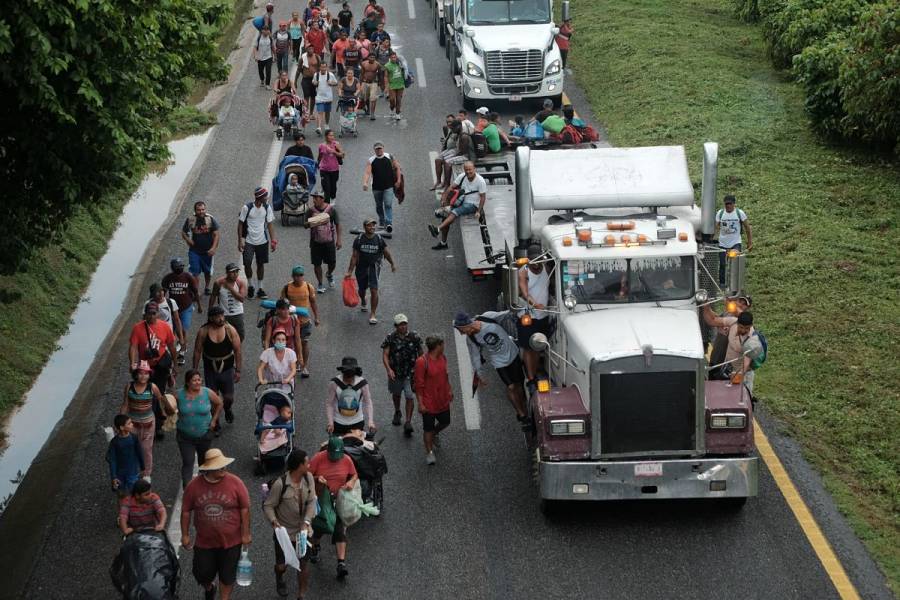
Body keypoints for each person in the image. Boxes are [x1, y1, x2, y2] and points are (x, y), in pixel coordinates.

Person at [181, 449, 251, 600]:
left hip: (231, 541)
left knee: (227, 576)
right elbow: (186, 510)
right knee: (202, 574)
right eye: (219, 467)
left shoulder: (236, 483)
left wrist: (245, 533)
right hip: (204, 542)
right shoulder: (193, 486)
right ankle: (209, 587)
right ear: (210, 469)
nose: (224, 469)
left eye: (223, 465)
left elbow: (245, 508)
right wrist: (185, 535)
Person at [453, 312, 530, 428]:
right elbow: (475, 357)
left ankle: (524, 406)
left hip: (512, 354)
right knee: (511, 386)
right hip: (499, 362)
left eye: (461, 330)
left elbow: (505, 314)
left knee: (519, 384)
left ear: (466, 325)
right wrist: (479, 374)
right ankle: (521, 414)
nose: (461, 333)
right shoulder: (471, 339)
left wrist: (520, 312)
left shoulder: (487, 318)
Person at [263, 449, 317, 598]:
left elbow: (312, 500)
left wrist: (306, 521)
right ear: (299, 466)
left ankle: (301, 594)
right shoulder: (280, 484)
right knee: (282, 565)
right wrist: (274, 522)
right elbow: (268, 505)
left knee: (303, 565)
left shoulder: (309, 478)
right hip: (285, 534)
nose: (309, 464)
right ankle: (279, 576)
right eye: (307, 462)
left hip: (304, 532)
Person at [308, 437, 358, 579]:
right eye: (332, 456)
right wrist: (318, 479)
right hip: (322, 498)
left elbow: (354, 474)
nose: (335, 459)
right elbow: (307, 476)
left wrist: (351, 482)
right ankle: (316, 547)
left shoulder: (347, 459)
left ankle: (341, 563)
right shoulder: (318, 458)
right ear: (327, 451)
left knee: (339, 528)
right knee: (321, 525)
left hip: (338, 498)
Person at [128, 301, 177, 438]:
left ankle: (159, 425)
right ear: (145, 314)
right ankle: (146, 420)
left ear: (158, 314)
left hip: (161, 364)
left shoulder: (165, 327)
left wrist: (175, 364)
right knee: (145, 393)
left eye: (154, 313)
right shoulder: (138, 328)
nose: (151, 316)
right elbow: (133, 347)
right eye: (149, 314)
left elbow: (171, 346)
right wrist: (132, 363)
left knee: (158, 394)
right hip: (145, 367)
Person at [193, 305, 242, 425]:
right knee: (213, 399)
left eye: (222, 315)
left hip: (227, 369)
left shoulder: (230, 330)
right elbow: (197, 351)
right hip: (210, 369)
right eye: (217, 316)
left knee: (229, 398)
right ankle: (216, 423)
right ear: (211, 318)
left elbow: (238, 351)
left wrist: (238, 370)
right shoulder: (203, 331)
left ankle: (227, 409)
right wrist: (194, 371)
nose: (221, 319)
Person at [175, 370, 223, 487]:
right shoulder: (178, 395)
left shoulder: (207, 392)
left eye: (199, 380)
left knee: (204, 462)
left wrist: (214, 420)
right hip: (185, 436)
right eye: (194, 380)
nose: (197, 382)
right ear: (187, 382)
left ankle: (203, 487)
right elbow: (168, 406)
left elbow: (219, 403)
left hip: (205, 434)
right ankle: (187, 489)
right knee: (188, 461)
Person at [346, 217, 397, 325]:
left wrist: (392, 263)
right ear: (364, 227)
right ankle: (363, 300)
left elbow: (386, 253)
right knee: (362, 289)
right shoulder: (359, 239)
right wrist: (350, 271)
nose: (372, 227)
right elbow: (354, 256)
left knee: (374, 290)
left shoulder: (379, 239)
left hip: (374, 268)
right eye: (369, 225)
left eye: (373, 225)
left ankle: (373, 314)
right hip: (361, 268)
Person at [119, 361, 164, 481]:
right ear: (136, 375)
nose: (143, 376)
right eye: (140, 373)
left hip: (148, 423)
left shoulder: (152, 387)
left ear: (149, 375)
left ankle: (147, 473)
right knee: (131, 447)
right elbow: (125, 404)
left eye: (146, 374)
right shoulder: (129, 386)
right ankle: (133, 471)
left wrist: (165, 414)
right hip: (132, 423)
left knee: (146, 448)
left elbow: (161, 399)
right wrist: (120, 421)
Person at [429, 161, 486, 250]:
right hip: (461, 201)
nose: (468, 172)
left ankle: (437, 229)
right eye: (466, 170)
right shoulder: (462, 176)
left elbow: (483, 197)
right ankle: (443, 243)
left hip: (472, 205)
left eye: (470, 170)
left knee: (455, 212)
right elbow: (451, 187)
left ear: (474, 169)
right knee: (444, 215)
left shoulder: (480, 181)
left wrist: (478, 211)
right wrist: (444, 198)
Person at [381, 314, 423, 436]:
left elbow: (421, 354)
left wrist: (421, 370)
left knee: (410, 396)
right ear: (396, 326)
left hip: (410, 373)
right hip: (396, 373)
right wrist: (389, 369)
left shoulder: (414, 337)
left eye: (405, 324)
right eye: (400, 324)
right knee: (397, 394)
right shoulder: (390, 338)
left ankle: (408, 422)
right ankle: (397, 411)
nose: (403, 326)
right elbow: (385, 355)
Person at [413, 335, 452, 465]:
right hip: (428, 402)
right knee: (428, 428)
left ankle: (435, 434)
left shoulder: (443, 358)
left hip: (442, 399)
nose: (444, 347)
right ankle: (429, 452)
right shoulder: (422, 362)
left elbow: (445, 376)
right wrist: (420, 403)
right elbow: (419, 385)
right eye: (443, 345)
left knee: (446, 421)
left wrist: (450, 390)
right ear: (438, 346)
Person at [516, 244, 553, 383]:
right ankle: (530, 377)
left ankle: (536, 369)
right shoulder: (523, 272)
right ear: (528, 260)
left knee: (538, 346)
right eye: (533, 261)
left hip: (543, 315)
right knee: (528, 347)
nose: (536, 265)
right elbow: (525, 293)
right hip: (528, 315)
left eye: (539, 261)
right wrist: (534, 304)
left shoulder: (547, 268)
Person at [703, 306, 758, 393]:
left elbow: (747, 363)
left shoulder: (751, 339)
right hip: (727, 369)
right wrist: (705, 306)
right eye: (741, 327)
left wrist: (738, 375)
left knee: (740, 401)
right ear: (737, 323)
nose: (743, 331)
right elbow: (712, 320)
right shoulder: (732, 322)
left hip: (742, 374)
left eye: (747, 328)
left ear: (750, 326)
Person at [237, 187, 277, 299]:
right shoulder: (247, 208)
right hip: (249, 241)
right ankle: (250, 286)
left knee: (260, 264)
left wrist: (273, 240)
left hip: (262, 241)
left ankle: (260, 288)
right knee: (247, 263)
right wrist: (240, 240)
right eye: (265, 196)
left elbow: (269, 224)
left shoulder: (267, 207)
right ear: (259, 197)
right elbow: (240, 224)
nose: (267, 198)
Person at [280, 266, 320, 375]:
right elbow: (281, 305)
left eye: (301, 275)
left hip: (304, 322)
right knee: (290, 344)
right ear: (293, 276)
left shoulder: (308, 287)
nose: (299, 278)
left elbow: (313, 302)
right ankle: (293, 364)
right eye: (296, 275)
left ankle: (303, 366)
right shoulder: (287, 288)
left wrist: (316, 317)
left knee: (304, 343)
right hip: (290, 322)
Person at [326, 357, 375, 435]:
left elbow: (368, 402)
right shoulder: (334, 383)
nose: (348, 376)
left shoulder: (362, 383)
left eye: (351, 373)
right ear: (342, 371)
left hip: (357, 422)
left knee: (358, 447)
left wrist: (370, 422)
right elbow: (330, 404)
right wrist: (330, 423)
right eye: (346, 373)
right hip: (338, 423)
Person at [305, 187, 342, 292]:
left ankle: (329, 274)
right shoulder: (310, 211)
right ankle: (320, 284)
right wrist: (315, 221)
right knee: (317, 264)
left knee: (332, 263)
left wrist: (339, 239)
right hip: (315, 242)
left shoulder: (331, 210)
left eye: (316, 198)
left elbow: (338, 224)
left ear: (322, 199)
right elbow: (305, 225)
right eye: (313, 198)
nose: (314, 200)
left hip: (329, 241)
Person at [181, 201, 220, 295]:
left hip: (208, 252)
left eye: (203, 209)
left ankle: (207, 287)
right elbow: (183, 232)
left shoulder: (210, 219)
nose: (201, 211)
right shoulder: (191, 219)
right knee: (195, 271)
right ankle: (196, 291)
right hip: (194, 251)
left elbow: (217, 235)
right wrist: (187, 240)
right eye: (199, 210)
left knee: (208, 271)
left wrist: (213, 248)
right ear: (195, 210)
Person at [362, 141, 400, 232]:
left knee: (388, 204)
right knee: (379, 206)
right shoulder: (371, 160)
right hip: (376, 187)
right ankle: (382, 221)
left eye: (380, 148)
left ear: (383, 148)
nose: (379, 150)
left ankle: (389, 223)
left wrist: (399, 180)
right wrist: (365, 183)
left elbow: (397, 168)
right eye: (377, 149)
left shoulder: (389, 157)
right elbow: (367, 172)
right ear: (374, 150)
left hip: (388, 186)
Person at [715, 194, 753, 286]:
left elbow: (747, 228)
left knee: (735, 263)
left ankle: (735, 284)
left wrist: (750, 242)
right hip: (722, 243)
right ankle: (722, 284)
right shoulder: (720, 213)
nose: (728, 206)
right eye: (726, 204)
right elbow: (715, 227)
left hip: (735, 242)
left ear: (734, 204)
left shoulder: (739, 213)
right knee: (722, 264)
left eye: (730, 204)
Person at [107, 414, 145, 500]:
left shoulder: (134, 438)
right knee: (122, 495)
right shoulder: (115, 442)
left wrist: (143, 468)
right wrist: (114, 477)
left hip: (132, 473)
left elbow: (139, 453)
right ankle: (123, 512)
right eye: (129, 423)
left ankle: (131, 511)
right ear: (122, 427)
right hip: (121, 474)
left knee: (134, 494)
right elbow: (112, 460)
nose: (132, 424)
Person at [163, 256, 202, 340]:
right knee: (174, 328)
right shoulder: (167, 278)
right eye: (178, 267)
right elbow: (163, 293)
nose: (180, 268)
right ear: (173, 268)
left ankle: (183, 344)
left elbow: (195, 292)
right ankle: (179, 342)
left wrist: (199, 306)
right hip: (173, 308)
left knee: (183, 329)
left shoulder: (188, 277)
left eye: (181, 266)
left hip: (186, 307)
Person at [146, 283, 185, 366]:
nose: (160, 294)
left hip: (169, 336)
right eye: (157, 292)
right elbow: (145, 323)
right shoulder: (148, 304)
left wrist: (181, 338)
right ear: (153, 294)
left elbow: (177, 320)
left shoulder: (171, 302)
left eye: (162, 291)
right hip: (155, 338)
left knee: (169, 358)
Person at [430, 119, 474, 190]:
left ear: (459, 126)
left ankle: (447, 184)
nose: (452, 130)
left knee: (447, 162)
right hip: (459, 152)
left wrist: (449, 157)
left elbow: (462, 152)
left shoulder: (464, 136)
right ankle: (440, 182)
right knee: (440, 160)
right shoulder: (458, 133)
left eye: (453, 128)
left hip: (466, 156)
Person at [209, 262, 248, 340]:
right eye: (232, 272)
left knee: (241, 335)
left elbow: (241, 299)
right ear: (227, 273)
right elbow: (213, 295)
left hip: (238, 313)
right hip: (223, 314)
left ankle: (236, 349)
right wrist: (210, 311)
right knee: (223, 335)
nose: (235, 274)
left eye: (237, 271)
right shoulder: (218, 283)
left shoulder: (241, 283)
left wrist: (230, 288)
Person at [317, 129, 344, 202]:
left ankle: (333, 197)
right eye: (330, 135)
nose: (332, 137)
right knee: (327, 188)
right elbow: (320, 155)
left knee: (333, 187)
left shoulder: (336, 144)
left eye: (333, 135)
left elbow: (342, 155)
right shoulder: (322, 146)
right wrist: (317, 164)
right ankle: (327, 204)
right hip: (324, 169)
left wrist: (334, 151)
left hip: (334, 169)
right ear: (326, 136)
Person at [312, 62, 338, 135]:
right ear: (319, 68)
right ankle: (319, 127)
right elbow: (313, 82)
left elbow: (336, 83)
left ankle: (326, 124)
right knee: (320, 112)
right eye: (322, 67)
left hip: (328, 97)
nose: (323, 69)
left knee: (327, 112)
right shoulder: (316, 75)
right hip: (319, 97)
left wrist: (331, 83)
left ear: (326, 68)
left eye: (324, 67)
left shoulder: (330, 75)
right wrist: (315, 83)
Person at [383, 51, 406, 120]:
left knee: (399, 99)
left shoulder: (400, 63)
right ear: (390, 58)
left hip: (400, 84)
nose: (394, 59)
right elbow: (386, 76)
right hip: (392, 85)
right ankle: (391, 108)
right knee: (392, 99)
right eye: (392, 57)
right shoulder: (387, 65)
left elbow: (406, 70)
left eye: (395, 57)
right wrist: (386, 86)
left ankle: (398, 113)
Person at [359, 54, 382, 119]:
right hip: (365, 82)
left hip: (374, 83)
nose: (372, 58)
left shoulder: (377, 64)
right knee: (365, 97)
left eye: (374, 57)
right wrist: (360, 84)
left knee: (373, 98)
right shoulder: (363, 64)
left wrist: (380, 83)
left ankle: (372, 114)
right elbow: (361, 74)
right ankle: (368, 109)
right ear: (368, 57)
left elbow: (380, 74)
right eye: (371, 57)